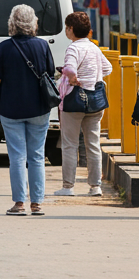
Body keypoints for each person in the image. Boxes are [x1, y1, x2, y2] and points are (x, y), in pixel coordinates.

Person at [0, 5, 58, 216]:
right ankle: (36, 203)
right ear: (33, 23)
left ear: (12, 23)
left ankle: (19, 204)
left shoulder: (4, 47)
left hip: (11, 109)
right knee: (37, 156)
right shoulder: (42, 46)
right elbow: (50, 73)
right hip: (39, 107)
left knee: (17, 157)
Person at [53, 11, 112, 197]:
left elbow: (70, 67)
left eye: (66, 28)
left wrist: (73, 78)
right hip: (95, 101)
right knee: (93, 144)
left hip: (75, 100)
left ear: (71, 29)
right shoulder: (94, 48)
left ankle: (68, 186)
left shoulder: (73, 48)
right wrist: (92, 77)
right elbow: (108, 68)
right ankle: (95, 187)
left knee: (70, 144)